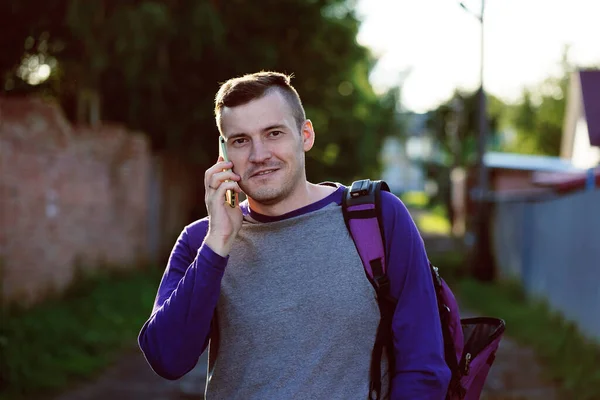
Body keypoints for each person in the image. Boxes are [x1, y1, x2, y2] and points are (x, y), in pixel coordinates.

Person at [138, 71, 451, 399]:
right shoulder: (202, 240)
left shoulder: (378, 217)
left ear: (305, 135)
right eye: (241, 140)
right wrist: (218, 241)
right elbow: (167, 359)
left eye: (273, 133)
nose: (259, 155)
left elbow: (424, 364)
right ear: (223, 153)